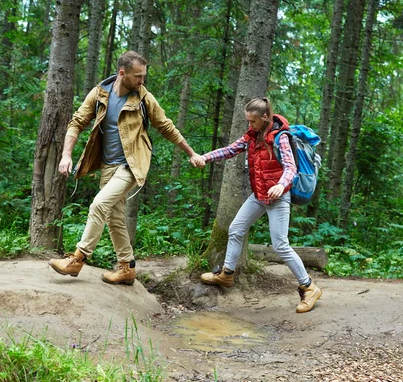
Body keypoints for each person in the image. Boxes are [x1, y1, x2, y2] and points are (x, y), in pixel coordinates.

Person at [49, 51, 199, 285]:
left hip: (132, 165)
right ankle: (127, 267)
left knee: (98, 205)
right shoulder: (100, 93)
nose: (142, 81)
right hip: (108, 165)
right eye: (138, 76)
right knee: (114, 217)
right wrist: (66, 155)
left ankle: (77, 260)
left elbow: (166, 126)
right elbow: (77, 121)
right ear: (122, 73)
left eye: (144, 76)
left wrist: (191, 152)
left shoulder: (143, 98)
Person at [192, 97, 322, 313]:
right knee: (236, 229)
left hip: (278, 198)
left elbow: (290, 167)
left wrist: (281, 185)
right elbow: (230, 150)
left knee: (280, 244)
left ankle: (309, 287)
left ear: (264, 117)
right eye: (247, 121)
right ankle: (227, 275)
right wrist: (205, 157)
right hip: (259, 196)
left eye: (252, 121)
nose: (249, 125)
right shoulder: (251, 136)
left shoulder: (280, 138)